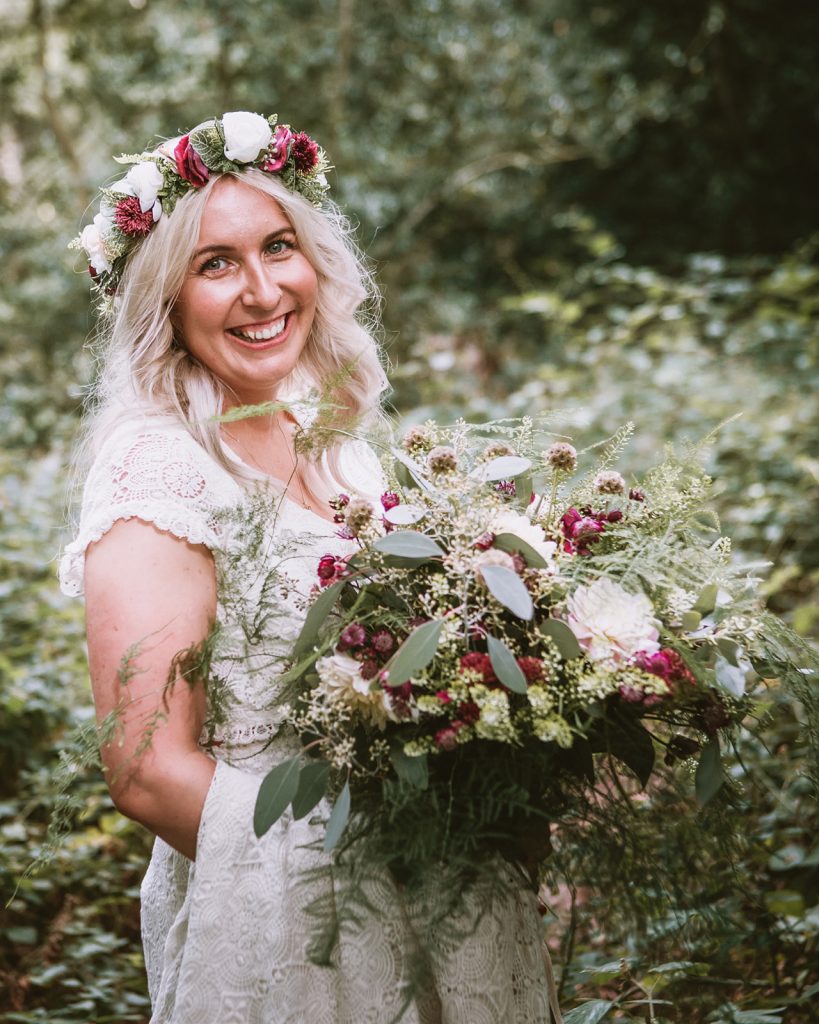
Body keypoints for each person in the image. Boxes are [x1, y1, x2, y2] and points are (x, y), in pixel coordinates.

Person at [61, 111, 557, 1024]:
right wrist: (358, 874)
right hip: (302, 932)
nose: (261, 290)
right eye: (215, 265)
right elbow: (144, 769)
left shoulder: (328, 431)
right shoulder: (159, 468)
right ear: (163, 300)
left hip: (439, 891)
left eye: (277, 248)